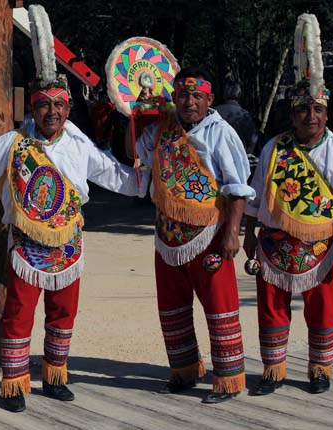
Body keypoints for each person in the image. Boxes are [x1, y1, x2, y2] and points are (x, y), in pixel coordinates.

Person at [0, 77, 147, 413]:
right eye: (44, 104)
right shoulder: (13, 141)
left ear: (68, 108)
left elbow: (114, 175)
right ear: (32, 108)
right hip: (26, 244)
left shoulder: (78, 143)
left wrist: (148, 169)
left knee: (63, 312)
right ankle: (14, 383)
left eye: (59, 104)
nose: (52, 111)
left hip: (67, 243)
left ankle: (54, 376)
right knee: (19, 313)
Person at [130, 67, 254, 403]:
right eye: (183, 95)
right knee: (172, 306)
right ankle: (183, 370)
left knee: (219, 304)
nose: (189, 102)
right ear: (174, 97)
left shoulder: (220, 133)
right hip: (167, 234)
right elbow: (137, 154)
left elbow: (237, 189)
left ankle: (228, 378)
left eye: (196, 96)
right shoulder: (162, 129)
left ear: (209, 99)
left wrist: (232, 234)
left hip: (209, 232)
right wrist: (137, 115)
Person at [243, 79, 333, 396]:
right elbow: (255, 196)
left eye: (317, 109)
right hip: (273, 244)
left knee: (321, 308)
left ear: (326, 115)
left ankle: (319, 369)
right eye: (302, 109)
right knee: (271, 307)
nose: (310, 116)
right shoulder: (274, 147)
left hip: (320, 247)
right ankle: (273, 369)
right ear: (292, 114)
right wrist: (249, 233)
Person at [214, 80, 261, 156]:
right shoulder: (244, 115)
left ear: (224, 94)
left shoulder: (213, 112)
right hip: (238, 157)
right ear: (239, 94)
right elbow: (252, 140)